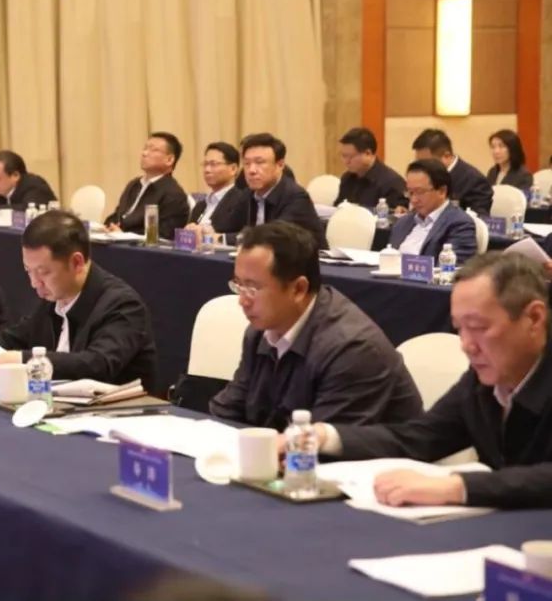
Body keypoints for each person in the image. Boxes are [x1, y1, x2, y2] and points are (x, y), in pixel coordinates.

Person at [303, 253, 552, 509]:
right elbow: (420, 438)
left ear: (534, 318)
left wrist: (457, 487)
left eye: (478, 327)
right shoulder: (483, 381)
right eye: (459, 328)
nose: (466, 345)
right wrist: (323, 436)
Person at [209, 222, 422, 431]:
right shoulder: (260, 331)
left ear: (299, 289)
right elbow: (228, 411)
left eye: (253, 288)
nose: (242, 301)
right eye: (239, 285)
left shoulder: (353, 349)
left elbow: (321, 445)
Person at [0, 210, 157, 386]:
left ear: (76, 263)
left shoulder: (123, 304)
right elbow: (15, 337)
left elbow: (98, 363)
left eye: (43, 272)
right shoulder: (55, 297)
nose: (34, 283)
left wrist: (26, 360)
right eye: (28, 271)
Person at [239, 133, 327, 248]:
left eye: (259, 162)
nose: (251, 170)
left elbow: (276, 237)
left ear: (280, 165)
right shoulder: (248, 194)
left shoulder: (296, 197)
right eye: (246, 163)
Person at [389, 159, 477, 264]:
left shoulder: (460, 224)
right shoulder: (402, 223)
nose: (414, 200)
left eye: (420, 192)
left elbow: (453, 267)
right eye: (410, 193)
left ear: (442, 191)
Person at [104, 133, 190, 240]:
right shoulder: (134, 184)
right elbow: (117, 216)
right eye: (145, 148)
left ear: (169, 160)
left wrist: (124, 235)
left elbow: (163, 236)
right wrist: (109, 227)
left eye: (153, 150)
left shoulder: (174, 195)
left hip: (138, 248)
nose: (144, 153)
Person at [412, 128, 493, 215]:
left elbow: (478, 219)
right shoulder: (426, 178)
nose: (422, 168)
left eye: (427, 162)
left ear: (446, 156)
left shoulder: (474, 181)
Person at [333, 127, 407, 210]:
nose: (346, 161)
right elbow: (337, 208)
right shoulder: (347, 178)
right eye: (343, 156)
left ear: (368, 153)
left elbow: (396, 215)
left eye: (351, 156)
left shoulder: (392, 183)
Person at [185, 142, 247, 236]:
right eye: (205, 164)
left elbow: (246, 235)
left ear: (233, 169)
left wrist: (217, 237)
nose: (207, 170)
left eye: (213, 164)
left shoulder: (242, 201)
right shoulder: (200, 206)